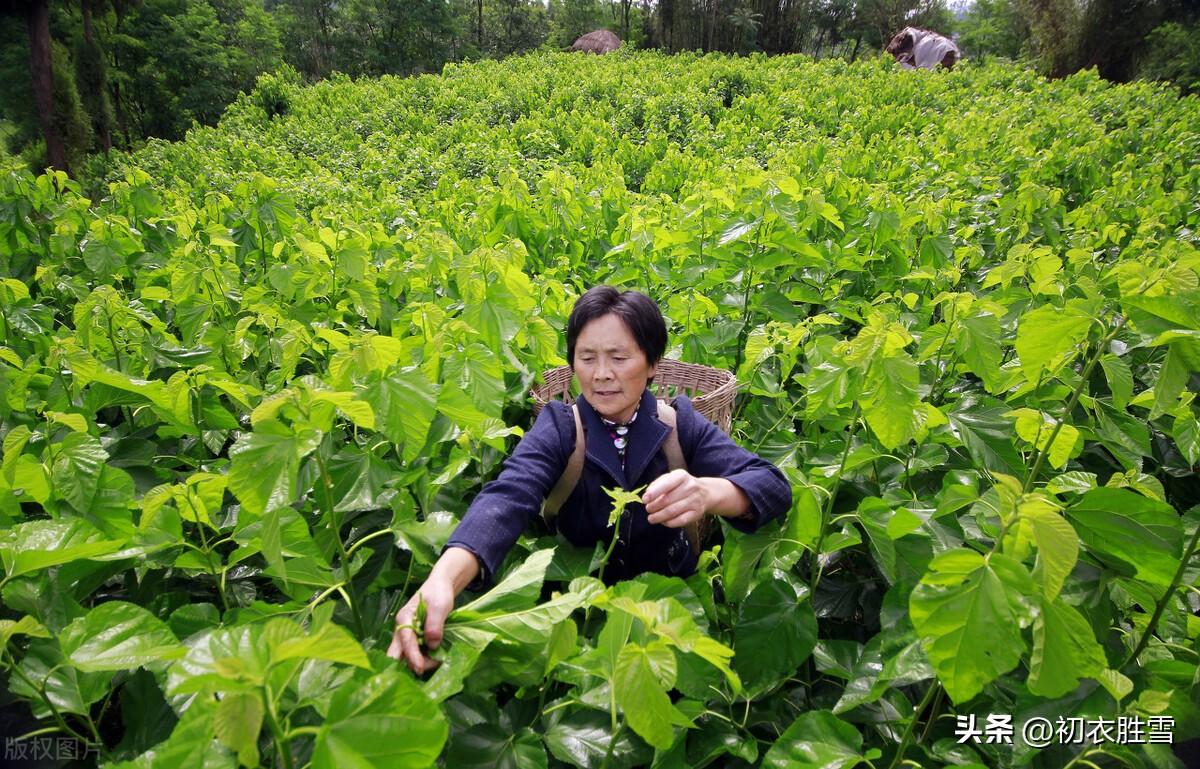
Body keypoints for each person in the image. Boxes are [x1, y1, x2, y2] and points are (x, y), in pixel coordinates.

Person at [387, 286, 792, 673]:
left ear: (652, 364)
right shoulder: (562, 427)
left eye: (619, 358)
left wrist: (710, 492)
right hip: (577, 619)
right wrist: (443, 580)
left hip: (667, 618)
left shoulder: (677, 423)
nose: (601, 375)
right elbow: (508, 497)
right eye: (587, 358)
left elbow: (770, 484)